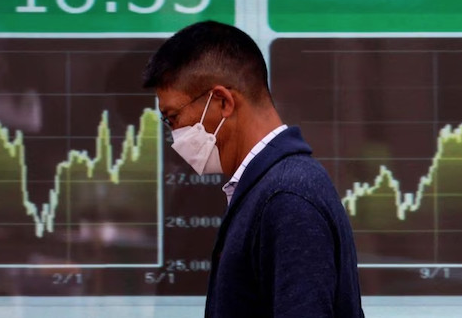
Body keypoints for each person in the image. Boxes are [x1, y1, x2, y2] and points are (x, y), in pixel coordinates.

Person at [143, 20, 365, 318]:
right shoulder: (269, 188)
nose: (174, 134)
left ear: (221, 102)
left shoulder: (287, 196)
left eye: (173, 117)